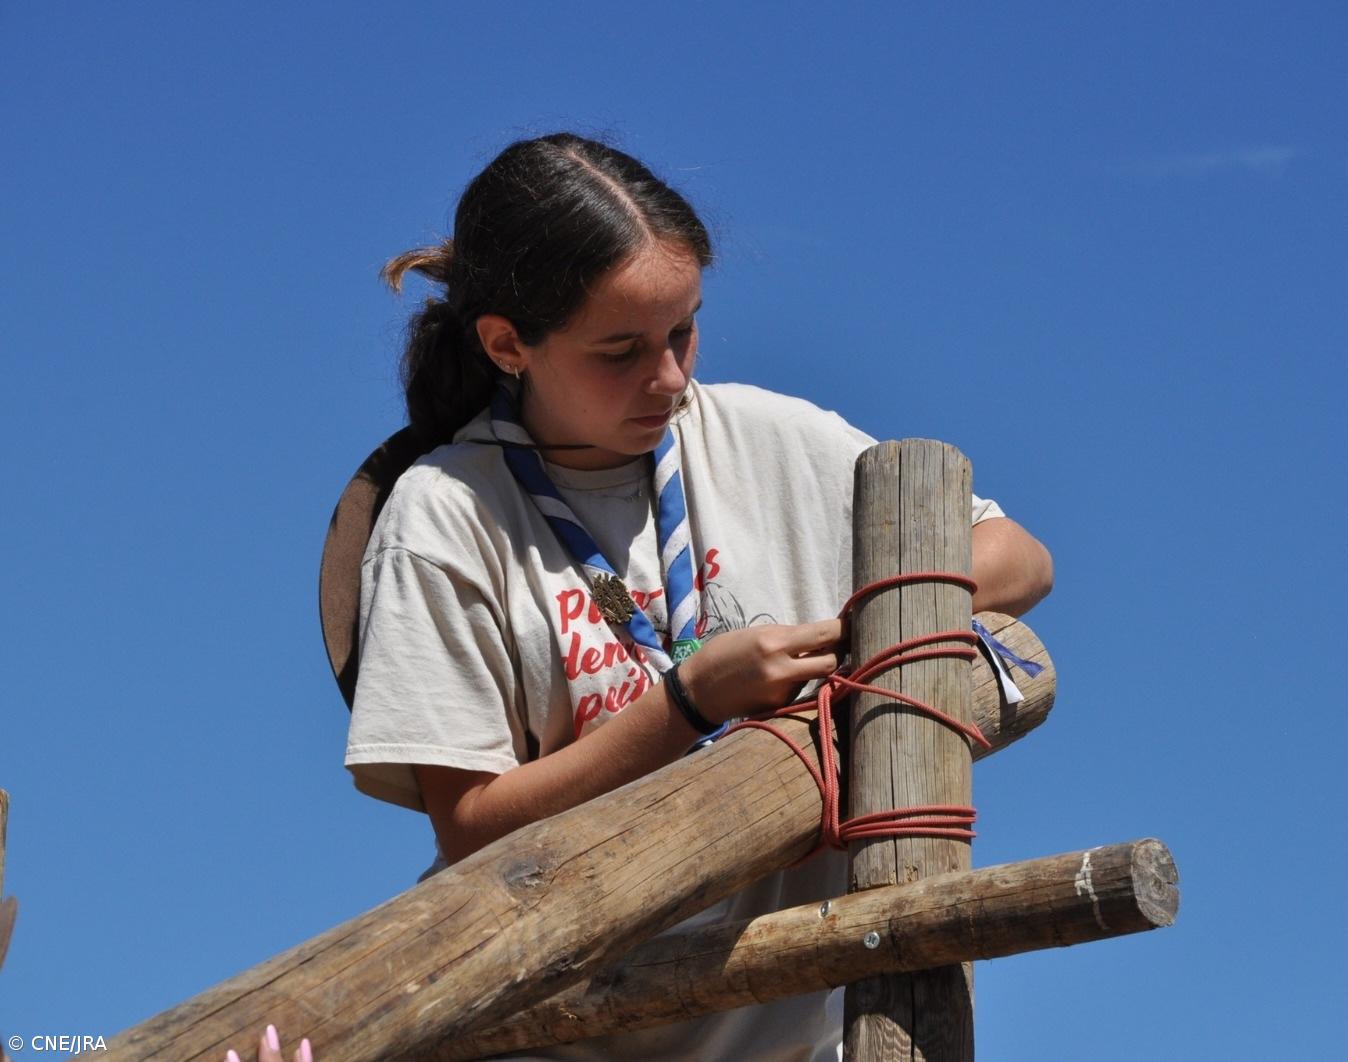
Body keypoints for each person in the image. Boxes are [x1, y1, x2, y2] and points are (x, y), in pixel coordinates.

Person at [341, 132, 1052, 1061]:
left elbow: (1018, 556)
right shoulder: (444, 518)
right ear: (508, 344)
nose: (671, 377)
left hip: (809, 1027)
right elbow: (471, 825)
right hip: (553, 1034)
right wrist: (689, 702)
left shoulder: (769, 435)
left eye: (684, 332)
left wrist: (856, 631)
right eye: (621, 350)